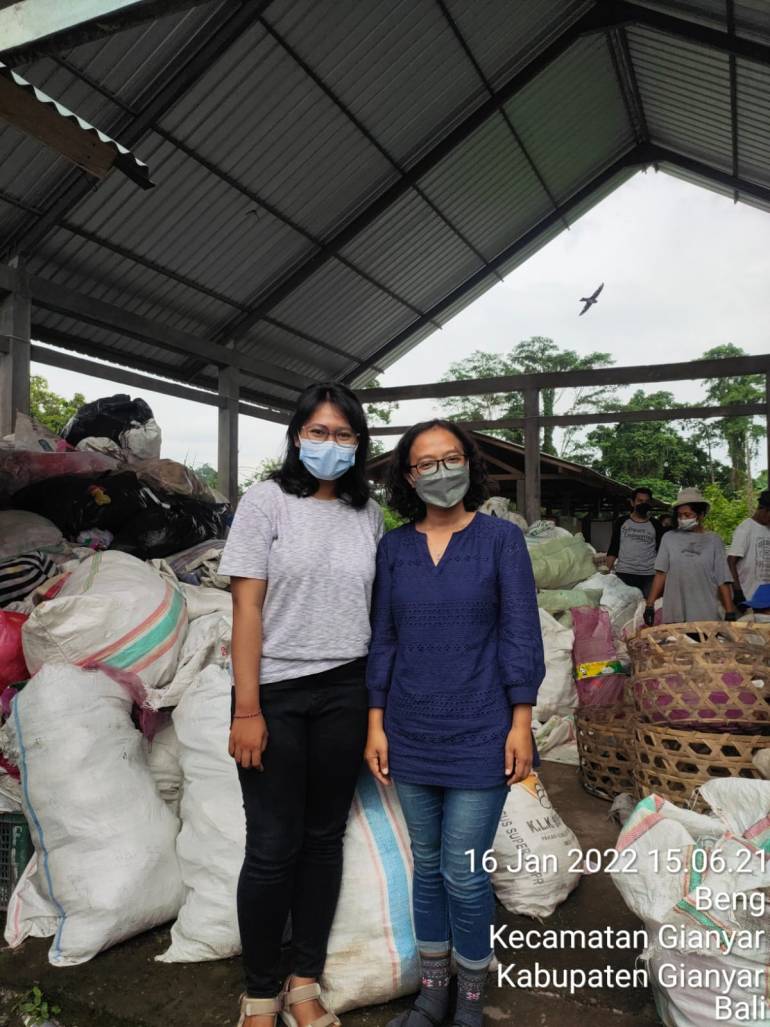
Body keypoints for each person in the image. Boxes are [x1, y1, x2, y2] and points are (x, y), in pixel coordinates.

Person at [365, 419, 544, 1027]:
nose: (440, 472)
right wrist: (376, 722)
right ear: (406, 476)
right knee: (426, 864)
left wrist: (521, 722)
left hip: (482, 730)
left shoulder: (500, 540)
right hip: (410, 730)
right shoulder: (393, 547)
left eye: (450, 458)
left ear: (468, 463)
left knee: (463, 873)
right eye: (424, 463)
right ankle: (431, 989)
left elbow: (522, 631)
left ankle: (470, 992)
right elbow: (383, 640)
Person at [219, 382, 383, 1027]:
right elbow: (246, 607)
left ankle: (304, 982)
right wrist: (246, 708)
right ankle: (260, 993)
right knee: (271, 846)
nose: (330, 445)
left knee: (323, 841)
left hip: (348, 688)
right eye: (318, 432)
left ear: (360, 444)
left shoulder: (366, 514)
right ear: (295, 437)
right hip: (277, 695)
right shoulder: (266, 503)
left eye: (344, 435)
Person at [643, 487, 736, 626]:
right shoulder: (669, 538)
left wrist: (729, 611)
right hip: (675, 612)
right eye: (680, 515)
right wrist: (649, 605)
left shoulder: (714, 540)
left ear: (701, 514)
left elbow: (723, 578)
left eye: (687, 515)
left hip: (705, 614)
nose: (682, 519)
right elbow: (661, 573)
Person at [606, 486, 664, 597]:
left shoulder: (656, 524)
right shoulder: (622, 522)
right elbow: (614, 547)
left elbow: (661, 551)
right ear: (632, 503)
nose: (643, 504)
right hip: (624, 573)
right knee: (623, 605)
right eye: (640, 501)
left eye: (646, 501)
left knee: (648, 606)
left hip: (649, 575)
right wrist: (605, 572)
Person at [727, 491, 770, 608]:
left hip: (766, 598)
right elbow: (731, 561)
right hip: (748, 597)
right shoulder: (746, 528)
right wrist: (737, 592)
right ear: (766, 510)